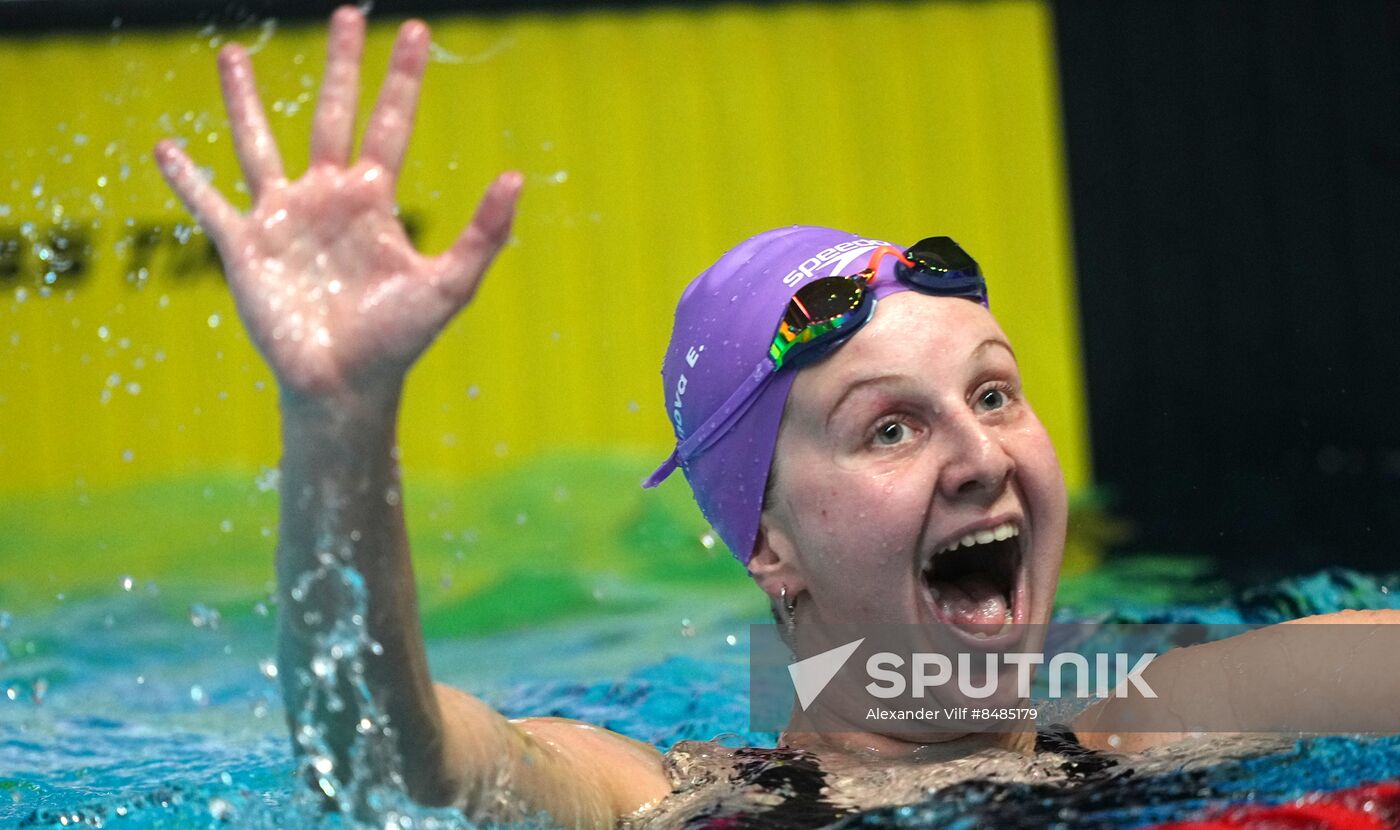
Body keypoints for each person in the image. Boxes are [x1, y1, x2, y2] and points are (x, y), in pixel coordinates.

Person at [155, 7, 1400, 828]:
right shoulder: (676, 797)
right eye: (888, 428)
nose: (980, 454)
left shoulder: (1159, 719)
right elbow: (388, 772)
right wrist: (339, 421)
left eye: (991, 392)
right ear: (767, 542)